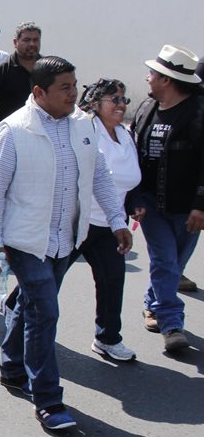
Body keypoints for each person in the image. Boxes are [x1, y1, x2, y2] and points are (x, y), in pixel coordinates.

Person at [0, 56, 132, 431]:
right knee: (45, 311)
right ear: (39, 92)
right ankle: (48, 399)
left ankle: (11, 365)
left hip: (67, 239)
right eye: (64, 87)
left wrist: (117, 220)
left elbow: (100, 176)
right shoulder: (13, 130)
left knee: (33, 304)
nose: (74, 93)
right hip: (26, 240)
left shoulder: (82, 125)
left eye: (74, 85)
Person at [129, 44, 204, 354]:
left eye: (153, 74)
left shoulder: (198, 113)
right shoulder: (146, 108)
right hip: (151, 203)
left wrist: (201, 205)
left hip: (188, 208)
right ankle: (172, 323)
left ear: (167, 80)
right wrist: (133, 197)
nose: (148, 78)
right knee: (164, 261)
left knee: (173, 264)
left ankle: (152, 303)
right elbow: (131, 156)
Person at [71, 79, 141, 362]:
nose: (122, 105)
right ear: (96, 104)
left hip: (111, 224)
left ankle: (108, 338)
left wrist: (133, 206)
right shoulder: (85, 131)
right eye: (115, 99)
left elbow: (130, 179)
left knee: (112, 281)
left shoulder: (125, 135)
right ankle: (17, 313)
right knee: (48, 279)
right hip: (78, 222)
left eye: (124, 100)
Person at [0, 22, 42, 154]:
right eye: (26, 40)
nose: (32, 44)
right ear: (15, 42)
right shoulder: (2, 71)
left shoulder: (47, 69)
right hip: (10, 135)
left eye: (35, 40)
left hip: (42, 133)